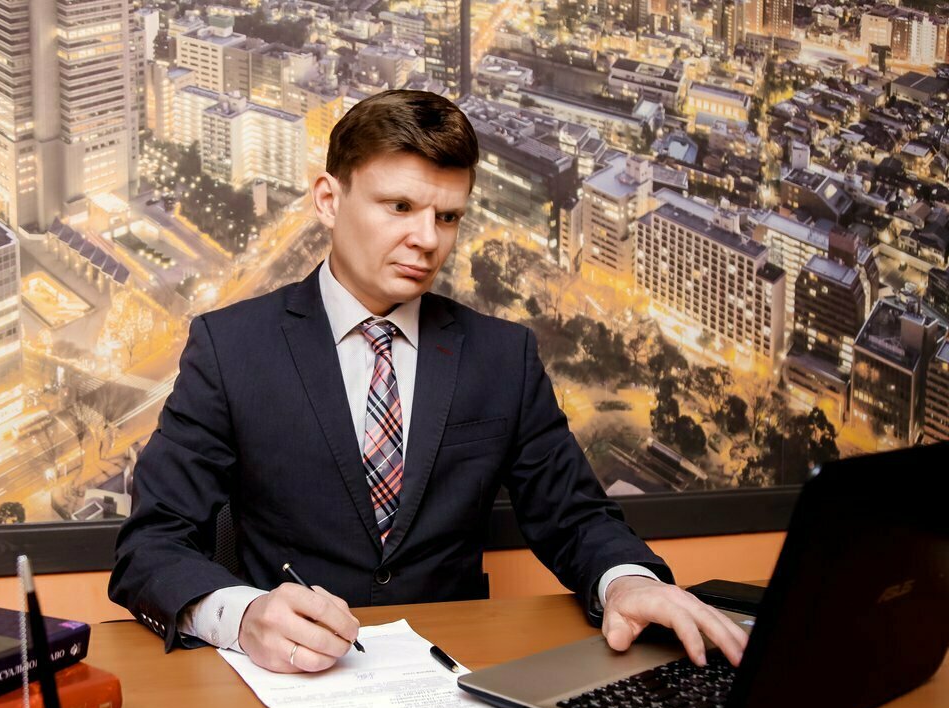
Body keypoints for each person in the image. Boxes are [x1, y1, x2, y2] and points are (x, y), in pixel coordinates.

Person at [110, 90, 749, 674]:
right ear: (328, 200)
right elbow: (150, 546)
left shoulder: (503, 357)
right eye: (400, 207)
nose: (426, 240)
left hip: (456, 681)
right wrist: (243, 616)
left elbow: (574, 515)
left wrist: (627, 581)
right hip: (292, 682)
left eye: (447, 217)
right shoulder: (231, 348)